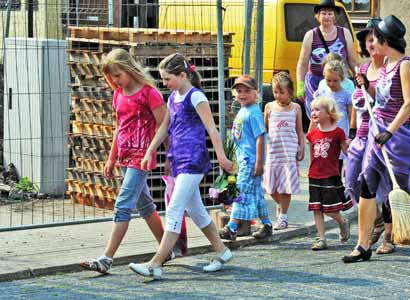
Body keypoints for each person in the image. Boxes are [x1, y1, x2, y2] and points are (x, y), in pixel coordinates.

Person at [343, 15, 410, 263]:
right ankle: (362, 245)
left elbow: (409, 103)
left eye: (375, 39)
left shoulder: (405, 65)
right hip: (377, 133)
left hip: (398, 136)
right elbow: (380, 98)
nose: (372, 45)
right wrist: (367, 86)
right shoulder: (387, 65)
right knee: (368, 185)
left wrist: (389, 131)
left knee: (401, 188)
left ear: (385, 40)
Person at [128, 53, 234, 279]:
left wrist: (222, 158)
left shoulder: (196, 97)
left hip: (193, 160)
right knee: (196, 210)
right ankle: (222, 251)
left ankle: (156, 263)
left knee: (175, 207)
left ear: (183, 75)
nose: (164, 84)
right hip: (178, 159)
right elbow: (165, 128)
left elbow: (212, 129)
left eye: (167, 79)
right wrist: (151, 152)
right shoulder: (173, 98)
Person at [80, 48, 167, 274]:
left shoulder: (149, 93)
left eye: (117, 75)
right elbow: (119, 127)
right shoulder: (118, 94)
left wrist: (167, 155)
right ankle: (169, 247)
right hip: (125, 156)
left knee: (123, 205)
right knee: (145, 205)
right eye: (111, 77)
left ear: (129, 69)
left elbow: (164, 125)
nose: (114, 80)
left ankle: (106, 259)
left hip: (142, 157)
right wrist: (111, 158)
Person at [344, 18, 393, 254]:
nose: (371, 44)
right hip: (363, 135)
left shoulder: (390, 69)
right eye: (367, 40)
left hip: (381, 137)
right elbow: (357, 104)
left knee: (383, 187)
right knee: (352, 181)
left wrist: (370, 89)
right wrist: (352, 132)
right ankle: (376, 222)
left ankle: (388, 236)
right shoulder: (362, 69)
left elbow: (386, 102)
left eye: (374, 39)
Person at [219, 75, 273, 241]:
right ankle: (267, 225)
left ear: (256, 92)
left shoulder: (254, 113)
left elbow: (260, 138)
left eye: (247, 91)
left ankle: (232, 227)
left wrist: (258, 162)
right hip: (243, 160)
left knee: (240, 193)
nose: (242, 94)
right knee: (255, 194)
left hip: (250, 161)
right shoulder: (243, 110)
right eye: (239, 91)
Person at [296, 0, 358, 122]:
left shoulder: (344, 33)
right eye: (323, 13)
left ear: (335, 16)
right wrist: (300, 86)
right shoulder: (310, 35)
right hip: (315, 81)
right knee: (318, 117)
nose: (327, 16)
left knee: (339, 116)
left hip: (339, 81)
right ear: (317, 16)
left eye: (330, 13)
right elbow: (302, 63)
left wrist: (361, 80)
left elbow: (353, 61)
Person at [307, 96, 352, 251]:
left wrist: (352, 149)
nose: (313, 112)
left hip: (330, 175)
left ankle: (342, 222)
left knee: (330, 208)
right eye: (312, 109)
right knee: (316, 208)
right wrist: (312, 124)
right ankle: (322, 238)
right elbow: (309, 145)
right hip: (314, 175)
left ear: (329, 113)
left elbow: (347, 152)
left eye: (317, 109)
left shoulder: (338, 133)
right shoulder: (313, 133)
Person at [263, 72, 305, 230]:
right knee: (270, 186)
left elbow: (300, 130)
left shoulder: (295, 108)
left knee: (286, 186)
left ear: (290, 92)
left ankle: (283, 216)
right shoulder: (269, 107)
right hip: (273, 152)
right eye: (275, 92)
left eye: (282, 92)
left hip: (289, 152)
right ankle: (281, 206)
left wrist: (302, 148)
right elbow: (266, 128)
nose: (278, 95)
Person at [312, 60, 352, 175]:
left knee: (337, 164)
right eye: (328, 80)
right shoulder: (321, 93)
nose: (332, 83)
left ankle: (336, 187)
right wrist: (312, 130)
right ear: (324, 77)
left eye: (335, 80)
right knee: (323, 160)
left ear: (342, 79)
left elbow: (351, 116)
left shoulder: (346, 96)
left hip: (339, 135)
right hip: (323, 134)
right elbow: (314, 114)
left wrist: (352, 135)